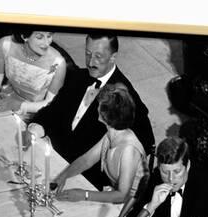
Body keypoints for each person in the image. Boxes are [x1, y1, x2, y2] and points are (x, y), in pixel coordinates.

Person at [29, 34, 155, 189]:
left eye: (98, 56)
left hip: (87, 178)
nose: (90, 62)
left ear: (113, 57)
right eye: (87, 54)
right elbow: (53, 110)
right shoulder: (78, 77)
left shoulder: (125, 97)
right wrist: (35, 128)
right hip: (53, 156)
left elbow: (147, 141)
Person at [52, 83, 147, 203]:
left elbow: (122, 195)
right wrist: (63, 176)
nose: (97, 107)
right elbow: (86, 160)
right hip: (114, 194)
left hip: (130, 205)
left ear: (107, 114)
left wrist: (84, 195)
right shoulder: (111, 133)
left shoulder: (129, 150)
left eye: (99, 105)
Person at [0, 30, 66, 118]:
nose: (47, 43)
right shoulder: (5, 44)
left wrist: (20, 105)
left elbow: (51, 103)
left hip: (33, 111)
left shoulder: (58, 63)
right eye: (39, 37)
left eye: (49, 36)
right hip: (5, 96)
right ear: (24, 36)